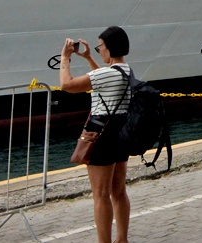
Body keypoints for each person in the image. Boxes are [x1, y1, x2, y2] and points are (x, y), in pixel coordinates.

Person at [59, 27, 133, 243]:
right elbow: (102, 77)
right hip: (120, 133)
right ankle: (122, 239)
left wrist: (65, 57)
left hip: (100, 134)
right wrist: (89, 57)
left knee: (101, 195)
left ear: (109, 48)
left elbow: (67, 85)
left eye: (100, 46)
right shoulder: (126, 70)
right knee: (118, 191)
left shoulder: (106, 74)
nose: (100, 50)